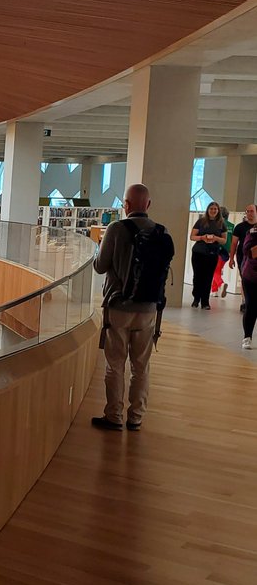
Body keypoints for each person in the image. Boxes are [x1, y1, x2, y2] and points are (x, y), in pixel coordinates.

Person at [91, 183, 174, 432]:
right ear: (148, 205)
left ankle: (114, 416)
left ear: (126, 205)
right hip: (149, 309)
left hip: (118, 306)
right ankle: (136, 417)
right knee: (141, 366)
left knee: (115, 363)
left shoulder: (116, 229)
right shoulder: (162, 231)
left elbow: (100, 266)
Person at [189, 201, 226, 309]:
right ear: (208, 210)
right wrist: (202, 237)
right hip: (199, 252)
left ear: (218, 211)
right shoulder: (201, 221)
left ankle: (205, 301)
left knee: (208, 277)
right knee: (197, 276)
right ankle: (196, 298)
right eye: (211, 209)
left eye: (215, 209)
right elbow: (192, 236)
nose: (213, 211)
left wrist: (216, 238)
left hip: (212, 253)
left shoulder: (221, 223)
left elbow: (224, 240)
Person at [228, 203, 257, 312]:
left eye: (252, 211)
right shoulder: (240, 227)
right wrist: (231, 258)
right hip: (243, 258)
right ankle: (245, 301)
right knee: (245, 278)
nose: (249, 213)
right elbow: (234, 244)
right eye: (247, 211)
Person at [238, 215, 257, 349]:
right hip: (252, 275)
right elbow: (249, 252)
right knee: (251, 306)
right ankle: (247, 337)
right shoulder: (252, 232)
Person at [210, 206, 233, 297]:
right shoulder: (231, 225)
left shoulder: (217, 224)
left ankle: (221, 284)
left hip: (218, 250)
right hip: (227, 252)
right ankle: (214, 291)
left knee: (214, 270)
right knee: (217, 269)